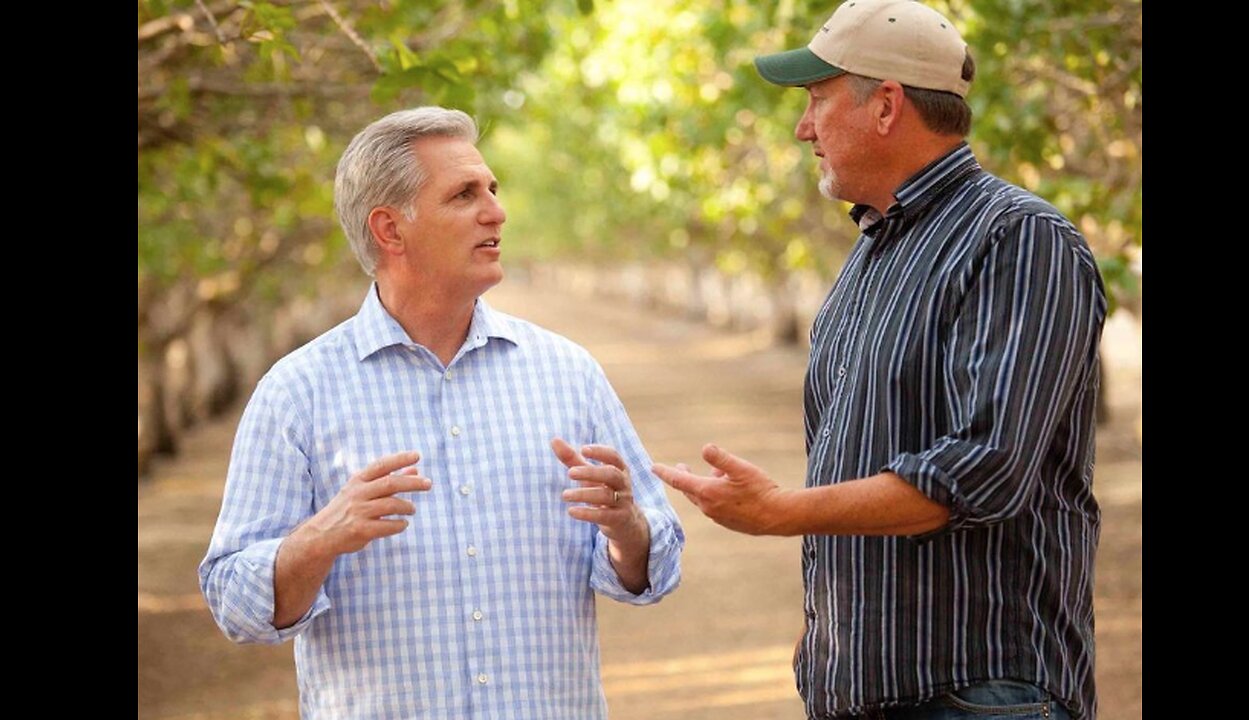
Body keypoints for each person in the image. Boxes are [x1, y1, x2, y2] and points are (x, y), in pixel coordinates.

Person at [653, 2, 1105, 718]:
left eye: (816, 100)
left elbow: (982, 469)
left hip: (976, 691)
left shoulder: (1018, 240)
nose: (804, 127)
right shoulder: (872, 253)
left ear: (886, 106)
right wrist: (829, 632)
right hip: (865, 689)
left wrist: (781, 513)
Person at [198, 106, 684, 720]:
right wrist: (321, 537)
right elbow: (233, 603)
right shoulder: (297, 393)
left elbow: (657, 566)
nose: (496, 211)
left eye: (493, 189)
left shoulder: (568, 373)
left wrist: (625, 527)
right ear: (390, 230)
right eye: (464, 194)